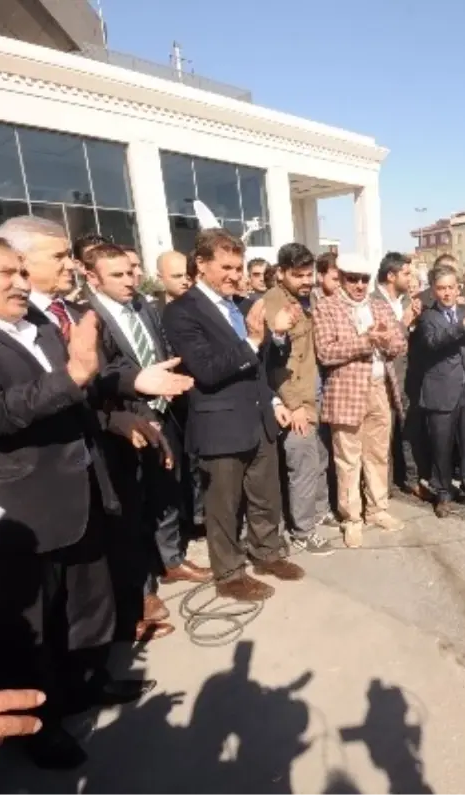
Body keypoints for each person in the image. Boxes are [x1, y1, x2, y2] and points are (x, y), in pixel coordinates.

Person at [0, 234, 188, 768]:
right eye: (5, 273)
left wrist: (127, 388)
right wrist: (76, 376)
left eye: (20, 270)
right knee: (28, 631)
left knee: (85, 608)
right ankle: (39, 724)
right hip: (16, 512)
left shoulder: (33, 323)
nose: (20, 281)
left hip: (80, 494)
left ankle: (85, 686)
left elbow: (86, 381)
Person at [161, 229, 304, 601]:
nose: (234, 275)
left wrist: (275, 340)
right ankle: (229, 574)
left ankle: (267, 553)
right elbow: (206, 370)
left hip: (259, 419)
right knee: (223, 506)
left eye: (238, 267)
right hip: (220, 424)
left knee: (265, 496)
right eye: (226, 267)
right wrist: (254, 341)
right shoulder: (181, 311)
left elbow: (258, 365)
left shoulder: (239, 305)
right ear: (201, 264)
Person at [82, 244, 209, 640]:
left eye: (132, 272)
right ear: (93, 278)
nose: (130, 280)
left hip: (162, 414)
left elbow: (161, 352)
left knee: (165, 491)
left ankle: (171, 559)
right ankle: (143, 591)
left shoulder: (144, 308)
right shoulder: (89, 319)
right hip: (122, 426)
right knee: (132, 508)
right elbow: (99, 377)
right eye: (118, 275)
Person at [314, 253, 407, 547]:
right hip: (346, 392)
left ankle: (377, 509)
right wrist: (366, 341)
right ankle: (352, 518)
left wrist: (386, 340)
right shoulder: (327, 307)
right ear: (341, 277)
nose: (358, 285)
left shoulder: (379, 306)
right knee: (347, 460)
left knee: (378, 454)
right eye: (352, 278)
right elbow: (326, 352)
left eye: (363, 279)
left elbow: (400, 344)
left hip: (379, 387)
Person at [263, 243, 335, 555]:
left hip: (313, 396)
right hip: (295, 402)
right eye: (299, 275)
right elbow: (272, 365)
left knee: (318, 459)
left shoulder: (307, 299)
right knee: (303, 465)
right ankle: (303, 531)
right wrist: (294, 407)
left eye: (309, 275)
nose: (306, 281)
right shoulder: (274, 304)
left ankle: (317, 514)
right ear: (280, 273)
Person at [414, 265, 465, 517]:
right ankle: (442, 493)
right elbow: (433, 343)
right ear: (434, 291)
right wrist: (462, 325)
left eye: (450, 288)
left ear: (458, 288)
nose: (446, 293)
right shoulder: (428, 317)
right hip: (441, 390)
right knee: (441, 446)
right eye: (441, 288)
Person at [373, 252, 426, 498]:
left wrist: (414, 323)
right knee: (384, 433)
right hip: (382, 379)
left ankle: (411, 478)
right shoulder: (372, 302)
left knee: (408, 428)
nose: (411, 277)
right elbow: (383, 343)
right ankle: (383, 486)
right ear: (391, 276)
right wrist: (404, 323)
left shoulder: (407, 301)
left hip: (407, 377)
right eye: (406, 273)